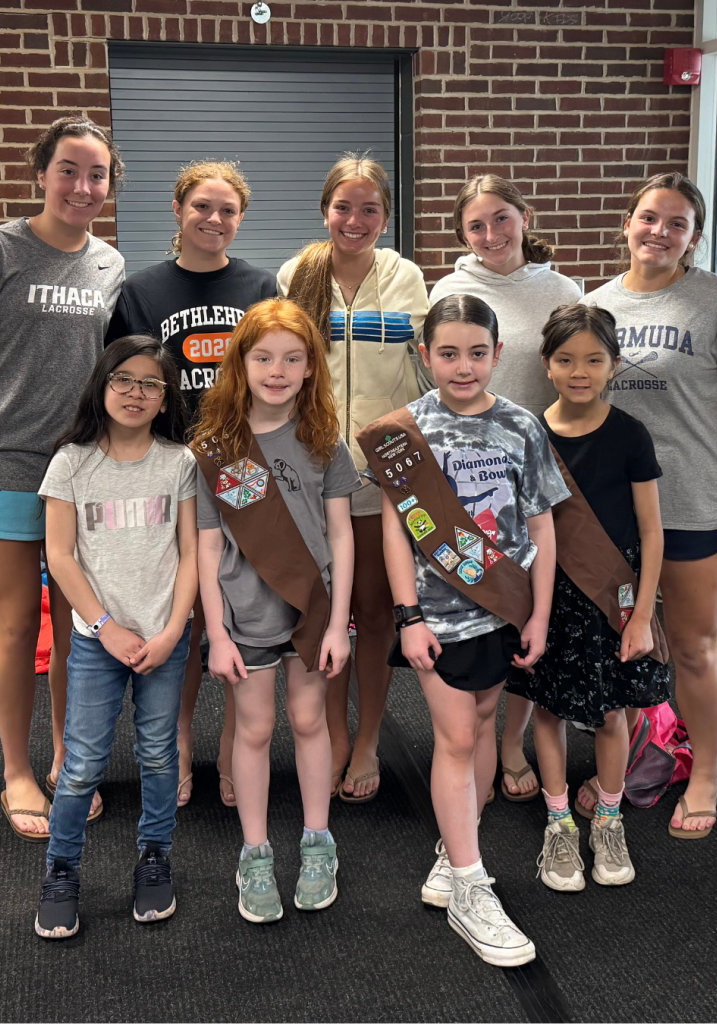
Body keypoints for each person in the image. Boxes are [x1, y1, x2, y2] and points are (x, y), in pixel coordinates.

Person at [361, 294, 569, 966]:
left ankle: (457, 853)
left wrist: (537, 614)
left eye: (476, 352)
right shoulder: (402, 433)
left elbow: (540, 526)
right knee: (455, 737)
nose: (462, 365)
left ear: (496, 355)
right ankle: (471, 889)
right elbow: (395, 532)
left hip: (503, 610)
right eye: (446, 353)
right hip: (438, 617)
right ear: (424, 356)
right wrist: (408, 616)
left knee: (483, 727)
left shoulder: (520, 426)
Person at [0, 116, 125, 840]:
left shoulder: (109, 264)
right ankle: (17, 772)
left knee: (78, 627)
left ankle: (65, 759)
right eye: (69, 170)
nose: (83, 186)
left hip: (82, 471)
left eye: (97, 175)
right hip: (1, 461)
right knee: (16, 624)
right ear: (40, 173)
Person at [584, 172, 717, 838]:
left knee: (693, 647)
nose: (658, 231)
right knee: (623, 646)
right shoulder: (595, 304)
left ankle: (707, 770)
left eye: (676, 223)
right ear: (625, 224)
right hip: (611, 510)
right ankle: (630, 758)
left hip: (694, 503)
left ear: (692, 238)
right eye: (648, 218)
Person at [106, 160, 278, 810]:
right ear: (178, 210)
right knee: (178, 617)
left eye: (227, 210)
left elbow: (279, 376)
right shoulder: (141, 289)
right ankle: (177, 738)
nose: (213, 219)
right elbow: (124, 384)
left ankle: (238, 741)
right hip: (171, 470)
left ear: (240, 218)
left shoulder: (261, 284)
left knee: (237, 615)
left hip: (242, 470)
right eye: (202, 206)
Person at [193, 299, 357, 923]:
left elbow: (341, 536)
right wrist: (216, 634)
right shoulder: (213, 448)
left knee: (310, 720)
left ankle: (318, 841)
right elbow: (208, 549)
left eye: (293, 358)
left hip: (313, 614)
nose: (277, 370)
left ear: (312, 367)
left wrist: (339, 621)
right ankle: (254, 852)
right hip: (247, 618)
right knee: (255, 730)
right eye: (263, 357)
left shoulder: (323, 442)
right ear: (241, 363)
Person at [34, 335, 198, 938]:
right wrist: (104, 628)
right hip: (97, 643)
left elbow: (189, 554)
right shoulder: (71, 462)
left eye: (151, 383)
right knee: (81, 766)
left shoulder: (178, 462)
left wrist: (174, 628)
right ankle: (62, 868)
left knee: (159, 756)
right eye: (123, 379)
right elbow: (61, 555)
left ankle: (155, 858)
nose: (136, 392)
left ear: (165, 398)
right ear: (101, 386)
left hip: (163, 641)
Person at [278, 154, 429, 802]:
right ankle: (332, 734)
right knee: (322, 612)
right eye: (344, 206)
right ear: (324, 210)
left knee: (371, 610)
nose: (355, 219)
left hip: (377, 479)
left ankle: (365, 738)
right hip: (310, 477)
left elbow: (421, 379)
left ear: (385, 217)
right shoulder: (296, 274)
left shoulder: (406, 278)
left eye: (370, 208)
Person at [506, 304, 669, 891]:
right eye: (566, 359)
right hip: (550, 596)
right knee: (546, 708)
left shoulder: (630, 434)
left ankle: (606, 817)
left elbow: (652, 531)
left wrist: (644, 614)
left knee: (610, 714)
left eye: (594, 360)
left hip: (613, 597)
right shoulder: (527, 433)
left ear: (614, 365)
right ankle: (557, 823)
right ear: (546, 365)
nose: (580, 371)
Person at [430, 174, 582, 801]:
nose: (490, 234)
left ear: (523, 217)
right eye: (475, 225)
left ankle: (511, 740)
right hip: (467, 468)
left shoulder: (562, 289)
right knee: (479, 598)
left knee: (528, 606)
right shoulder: (450, 289)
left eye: (500, 219)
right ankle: (473, 743)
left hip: (538, 454)